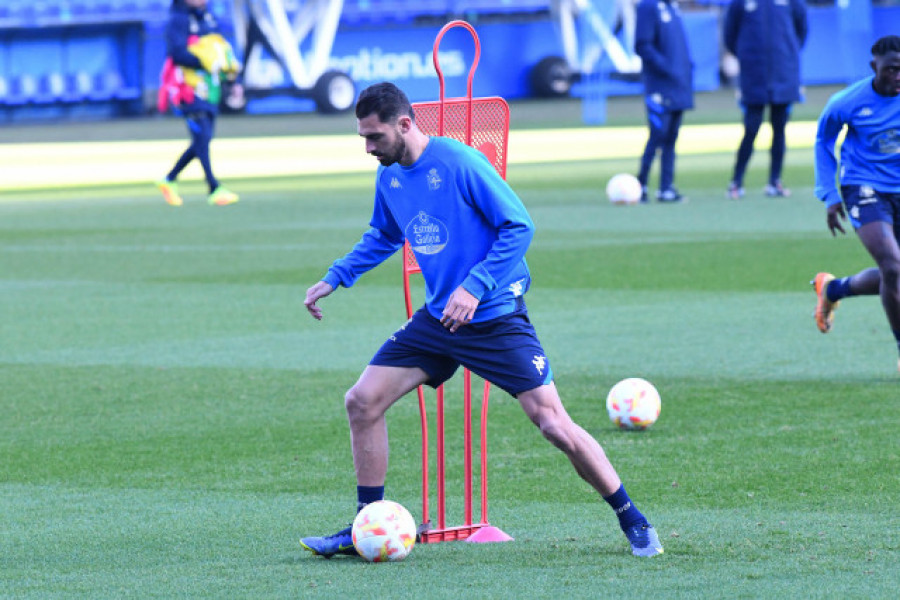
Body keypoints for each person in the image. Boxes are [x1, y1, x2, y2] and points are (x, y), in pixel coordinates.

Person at [299, 82, 664, 558]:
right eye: (363, 138)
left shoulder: (460, 162)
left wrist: (475, 286)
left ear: (404, 125)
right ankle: (365, 525)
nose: (368, 148)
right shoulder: (389, 178)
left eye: (375, 137)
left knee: (553, 423)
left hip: (494, 318)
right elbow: (383, 234)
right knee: (362, 402)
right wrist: (336, 277)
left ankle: (632, 518)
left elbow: (520, 226)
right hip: (439, 321)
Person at [811, 35, 900, 373]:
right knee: (893, 265)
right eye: (891, 69)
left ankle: (833, 288)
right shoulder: (847, 102)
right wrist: (830, 195)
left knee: (897, 272)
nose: (898, 76)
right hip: (864, 186)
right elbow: (824, 141)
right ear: (873, 67)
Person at [156, 0, 240, 207]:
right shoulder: (179, 19)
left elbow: (221, 51)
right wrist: (203, 60)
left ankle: (169, 179)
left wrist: (230, 77)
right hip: (188, 87)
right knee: (202, 135)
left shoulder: (209, 18)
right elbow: (176, 53)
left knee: (203, 138)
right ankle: (213, 187)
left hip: (210, 87)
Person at [723, 0, 808, 200]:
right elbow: (730, 35)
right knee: (751, 128)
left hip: (783, 74)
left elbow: (801, 30)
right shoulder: (740, 3)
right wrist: (748, 55)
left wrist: (787, 53)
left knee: (779, 129)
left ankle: (775, 181)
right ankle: (736, 181)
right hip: (754, 75)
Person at [633, 0, 694, 203]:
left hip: (679, 84)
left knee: (672, 137)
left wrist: (685, 70)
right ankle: (640, 186)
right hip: (660, 85)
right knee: (658, 134)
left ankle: (666, 187)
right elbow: (642, 44)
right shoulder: (649, 6)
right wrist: (666, 67)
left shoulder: (672, 7)